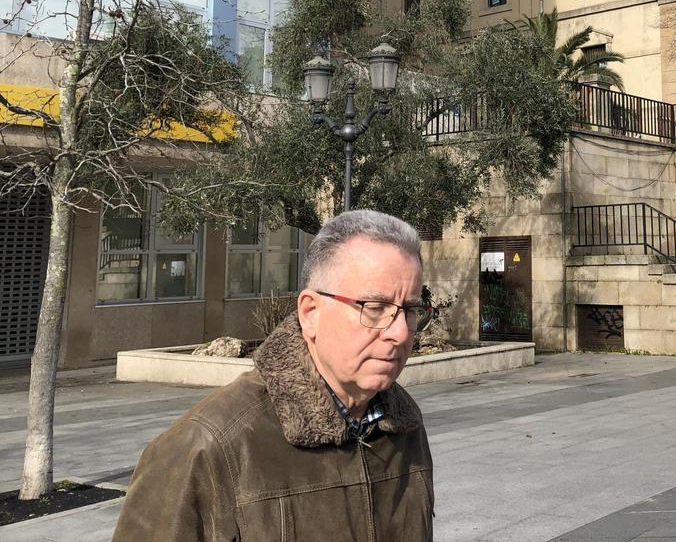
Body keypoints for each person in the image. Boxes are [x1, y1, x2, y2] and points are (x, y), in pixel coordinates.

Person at [113, 210, 436, 541]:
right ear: (311, 312)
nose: (400, 332)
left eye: (410, 310)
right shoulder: (205, 448)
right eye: (375, 308)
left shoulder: (404, 425)